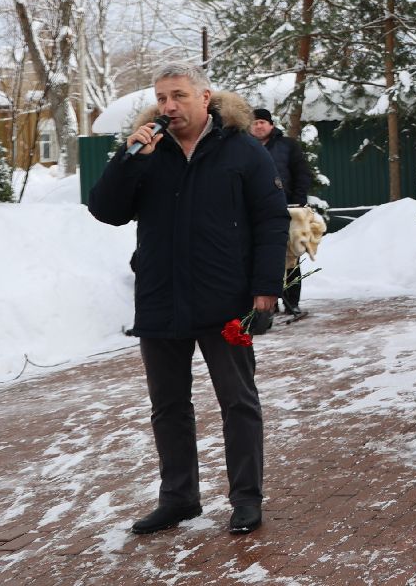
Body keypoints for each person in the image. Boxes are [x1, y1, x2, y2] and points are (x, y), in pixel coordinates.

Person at [87, 62, 288, 535]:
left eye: (177, 95)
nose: (168, 106)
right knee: (168, 406)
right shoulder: (147, 151)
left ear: (205, 97)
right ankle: (178, 498)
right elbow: (105, 210)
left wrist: (265, 292)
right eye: (161, 97)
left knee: (238, 401)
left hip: (227, 300)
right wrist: (128, 158)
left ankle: (245, 499)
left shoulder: (242, 150)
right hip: (160, 298)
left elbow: (271, 221)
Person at [250, 108, 313, 315]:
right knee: (261, 259)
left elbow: (302, 174)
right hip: (255, 212)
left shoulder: (287, 146)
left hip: (287, 211)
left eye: (262, 122)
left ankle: (292, 302)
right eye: (255, 122)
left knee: (290, 258)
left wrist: (298, 202)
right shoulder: (245, 147)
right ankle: (269, 304)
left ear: (271, 125)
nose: (259, 126)